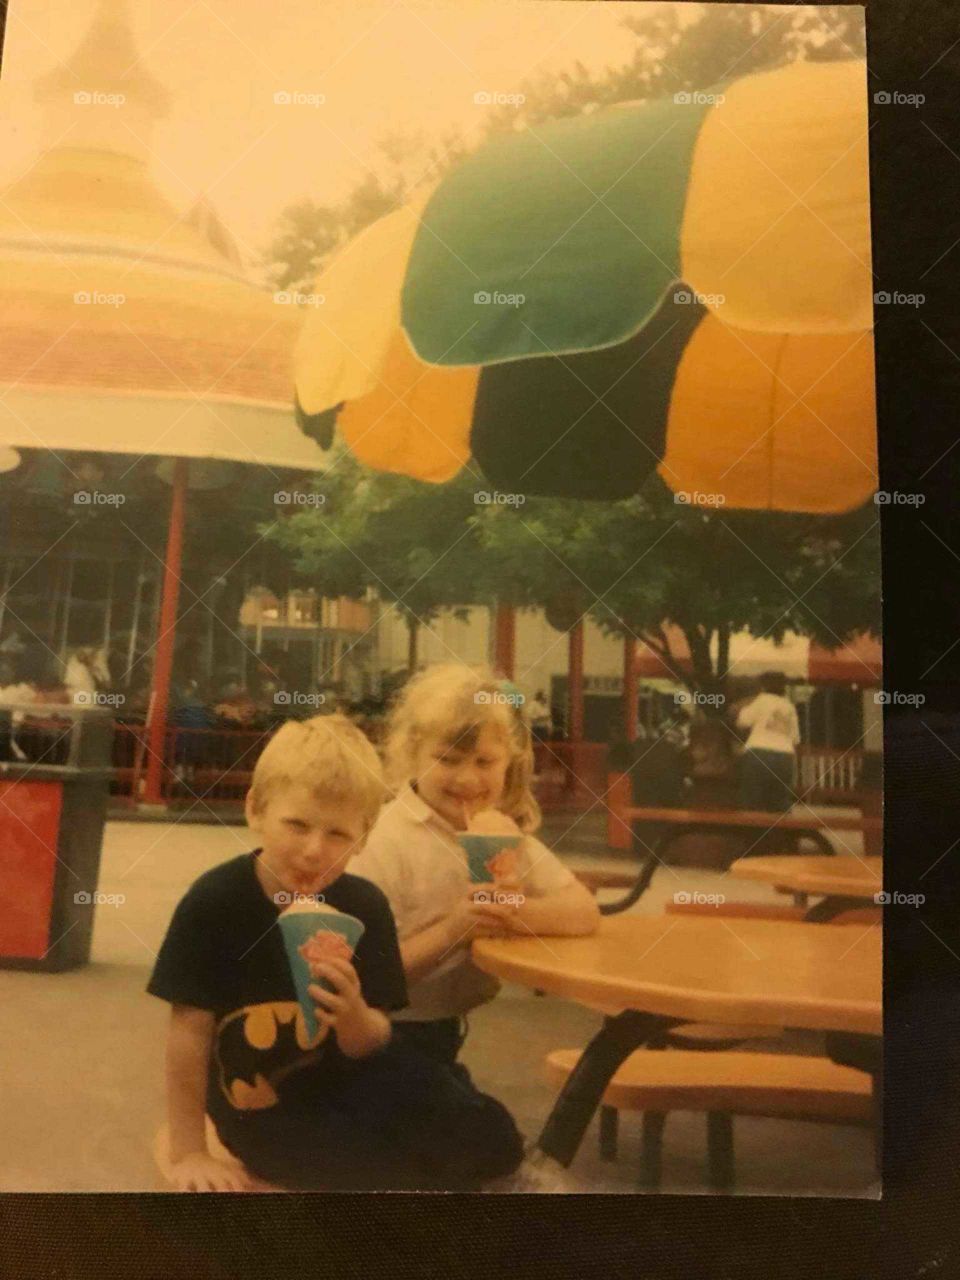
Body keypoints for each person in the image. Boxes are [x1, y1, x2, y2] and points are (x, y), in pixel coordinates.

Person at [146, 714, 524, 1193]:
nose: (313, 850)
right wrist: (190, 1152)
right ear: (255, 811)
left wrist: (352, 1013)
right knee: (361, 1168)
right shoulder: (214, 902)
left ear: (364, 836)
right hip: (263, 1104)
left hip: (354, 1078)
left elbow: (371, 1042)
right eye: (296, 825)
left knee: (496, 1141)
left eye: (338, 835)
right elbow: (188, 1035)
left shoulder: (365, 905)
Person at [350, 663, 600, 1070]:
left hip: (445, 1029)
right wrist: (455, 928)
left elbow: (583, 911)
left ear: (509, 763)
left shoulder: (498, 835)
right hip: (377, 1036)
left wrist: (503, 913)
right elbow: (366, 975)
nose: (467, 779)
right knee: (489, 1133)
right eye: (448, 760)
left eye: (485, 762)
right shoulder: (382, 838)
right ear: (413, 754)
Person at [734, 670, 800, 812]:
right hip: (785, 755)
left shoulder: (761, 700)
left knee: (752, 799)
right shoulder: (789, 706)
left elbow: (743, 721)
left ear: (762, 686)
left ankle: (753, 833)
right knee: (779, 801)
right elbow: (795, 738)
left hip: (759, 753)